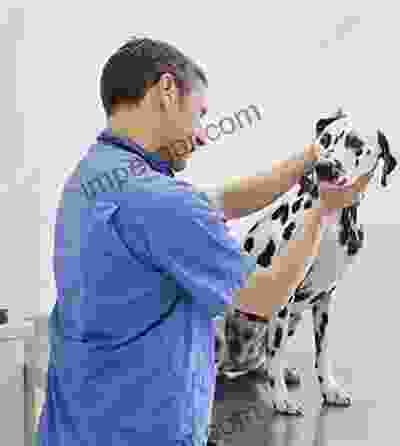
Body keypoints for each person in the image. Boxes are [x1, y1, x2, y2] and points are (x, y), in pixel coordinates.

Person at [36, 37, 363, 446]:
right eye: (200, 114)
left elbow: (221, 200)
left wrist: (309, 158)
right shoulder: (159, 202)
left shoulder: (93, 177)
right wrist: (323, 208)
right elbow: (266, 297)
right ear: (168, 91)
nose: (204, 135)